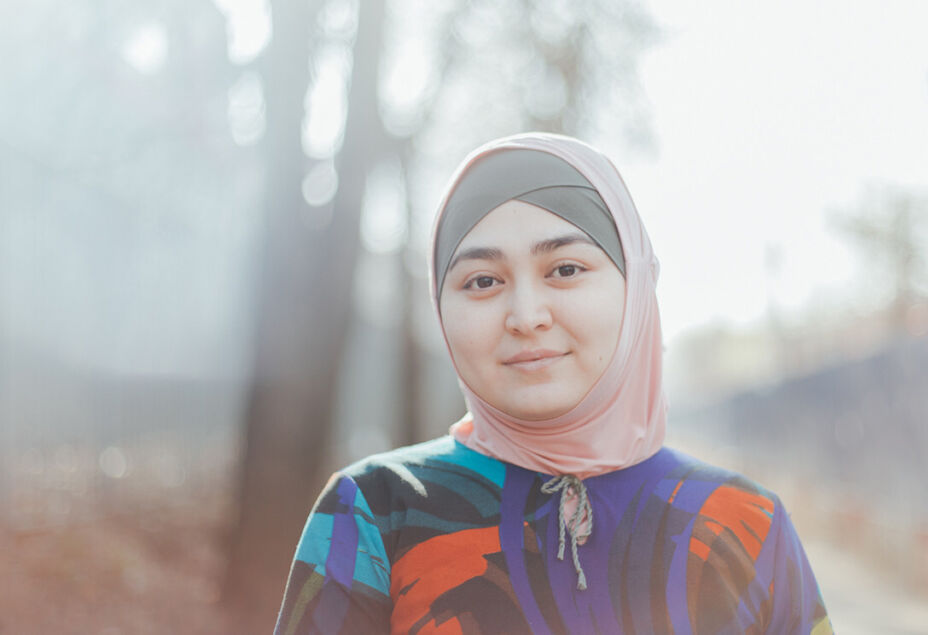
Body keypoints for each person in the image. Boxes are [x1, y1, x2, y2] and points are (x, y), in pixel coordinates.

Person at [275, 133, 833, 634]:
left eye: (565, 269)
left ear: (636, 286)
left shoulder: (745, 522)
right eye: (482, 281)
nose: (526, 316)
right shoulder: (375, 511)